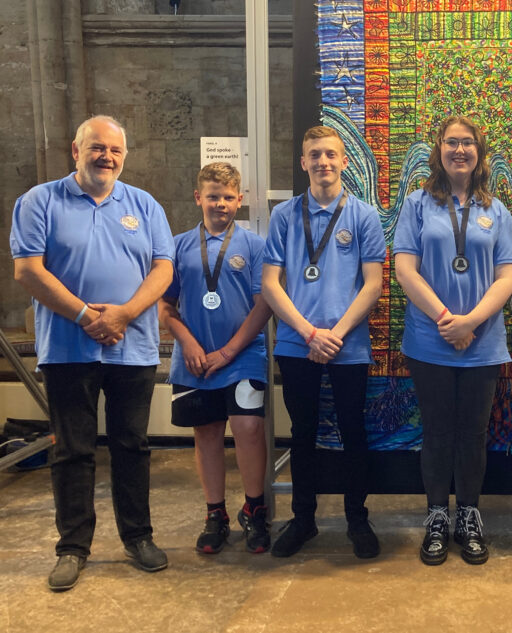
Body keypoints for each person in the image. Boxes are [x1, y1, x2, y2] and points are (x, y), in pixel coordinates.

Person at [10, 115, 173, 591]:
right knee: (73, 451)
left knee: (132, 447)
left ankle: (138, 538)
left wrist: (123, 315)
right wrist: (88, 316)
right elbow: (28, 271)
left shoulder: (144, 205)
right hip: (66, 349)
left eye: (115, 150)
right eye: (97, 147)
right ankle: (72, 548)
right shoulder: (39, 201)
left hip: (133, 348)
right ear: (75, 150)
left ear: (124, 157)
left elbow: (163, 270)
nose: (106, 156)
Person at [394, 115, 512, 565]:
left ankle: (468, 515)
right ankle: (435, 517)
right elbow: (405, 269)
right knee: (437, 432)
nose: (460, 150)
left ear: (479, 151)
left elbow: (508, 274)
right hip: (430, 339)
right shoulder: (417, 204)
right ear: (439, 150)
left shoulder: (497, 210)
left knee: (473, 433)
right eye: (452, 142)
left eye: (468, 142)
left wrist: (472, 322)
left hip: (482, 342)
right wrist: (448, 319)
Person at [261, 125, 386, 559]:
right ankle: (303, 520)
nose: (323, 162)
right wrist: (310, 333)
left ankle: (357, 519)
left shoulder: (364, 216)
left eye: (330, 154)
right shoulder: (283, 216)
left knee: (354, 432)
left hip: (348, 346)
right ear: (303, 162)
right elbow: (271, 285)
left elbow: (372, 285)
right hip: (299, 345)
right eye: (314, 154)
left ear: (344, 160)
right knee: (303, 434)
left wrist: (335, 334)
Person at [158, 163, 273, 554]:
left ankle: (254, 510)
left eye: (227, 197)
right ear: (198, 198)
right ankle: (215, 514)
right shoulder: (177, 246)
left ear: (239, 201)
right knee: (206, 433)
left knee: (248, 429)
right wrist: (188, 344)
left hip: (241, 357)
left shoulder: (256, 246)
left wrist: (228, 352)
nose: (220, 203)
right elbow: (165, 306)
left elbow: (263, 307)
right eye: (213, 196)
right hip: (193, 360)